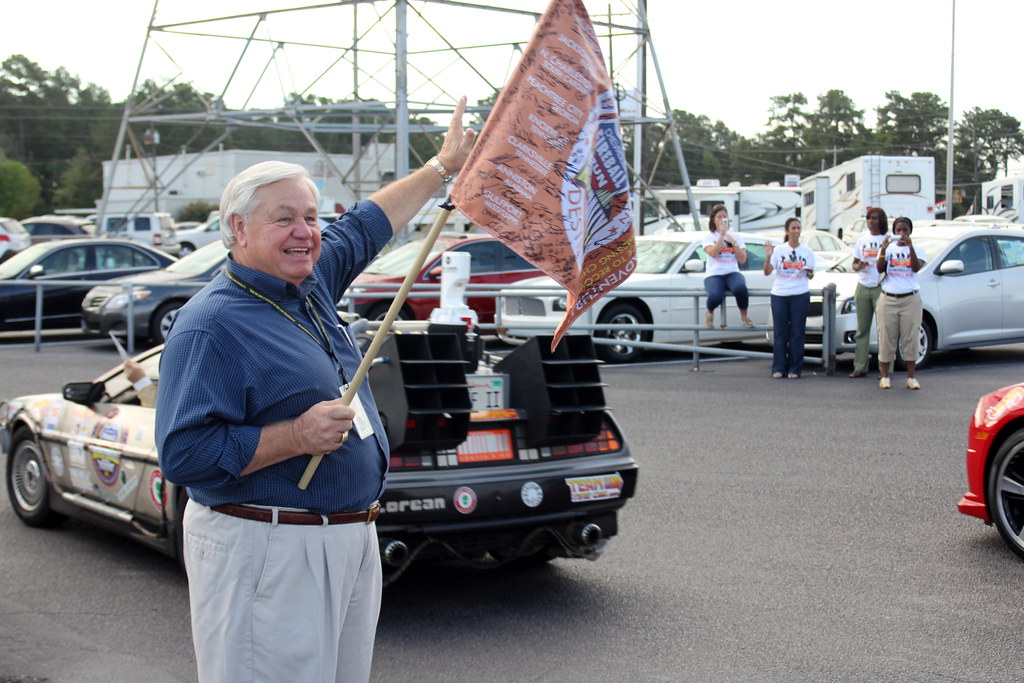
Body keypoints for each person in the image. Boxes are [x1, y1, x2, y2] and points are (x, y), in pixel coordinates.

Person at [155, 98, 476, 683]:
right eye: (284, 219)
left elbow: (367, 223)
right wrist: (296, 435)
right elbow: (184, 456)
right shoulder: (210, 323)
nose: (305, 232)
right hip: (267, 544)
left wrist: (443, 167)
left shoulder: (310, 280)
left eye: (310, 216)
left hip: (346, 537)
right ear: (238, 229)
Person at [876, 216, 925, 390]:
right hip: (889, 297)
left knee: (910, 337)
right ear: (893, 231)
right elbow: (880, 268)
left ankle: (911, 377)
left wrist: (910, 246)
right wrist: (883, 249)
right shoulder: (888, 249)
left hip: (910, 298)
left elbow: (915, 267)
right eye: (898, 230)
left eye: (905, 230)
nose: (902, 234)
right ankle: (885, 376)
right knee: (886, 337)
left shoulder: (918, 249)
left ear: (910, 232)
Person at [763, 217, 815, 378]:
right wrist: (768, 256)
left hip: (800, 293)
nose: (796, 232)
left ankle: (795, 368)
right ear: (787, 231)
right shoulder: (779, 250)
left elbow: (811, 275)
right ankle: (778, 367)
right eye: (793, 228)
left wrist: (808, 271)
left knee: (797, 333)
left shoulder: (807, 251)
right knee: (780, 333)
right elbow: (767, 271)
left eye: (798, 228)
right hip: (780, 294)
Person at [848, 208, 888, 378]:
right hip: (863, 286)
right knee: (862, 330)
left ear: (881, 221)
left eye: (875, 219)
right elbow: (854, 263)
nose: (871, 221)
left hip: (881, 285)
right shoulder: (862, 240)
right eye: (869, 218)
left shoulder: (887, 240)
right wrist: (859, 266)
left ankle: (885, 368)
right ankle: (860, 366)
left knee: (884, 329)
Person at [702, 204, 756, 328]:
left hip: (732, 271)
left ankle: (744, 316)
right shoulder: (708, 236)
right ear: (713, 219)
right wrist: (721, 235)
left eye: (724, 217)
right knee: (715, 296)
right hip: (715, 273)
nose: (722, 220)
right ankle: (709, 312)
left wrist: (734, 243)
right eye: (719, 217)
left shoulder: (735, 236)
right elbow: (713, 253)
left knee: (740, 288)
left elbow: (742, 259)